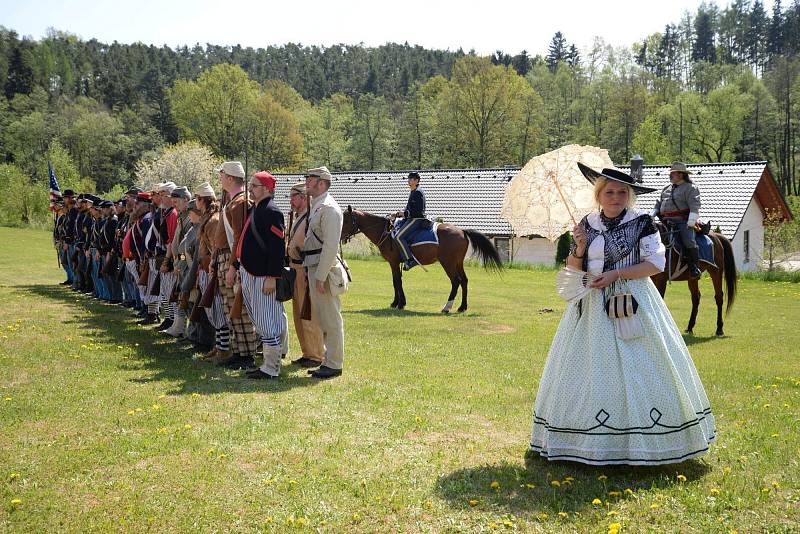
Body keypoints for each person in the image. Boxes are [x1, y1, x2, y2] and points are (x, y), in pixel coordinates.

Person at [528, 163, 715, 465]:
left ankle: (643, 442)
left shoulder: (642, 222)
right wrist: (578, 248)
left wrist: (617, 274)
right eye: (609, 192)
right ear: (599, 195)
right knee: (587, 368)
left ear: (629, 195)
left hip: (632, 300)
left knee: (640, 364)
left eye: (621, 192)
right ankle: (579, 440)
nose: (615, 197)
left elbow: (655, 263)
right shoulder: (586, 224)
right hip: (589, 306)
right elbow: (574, 268)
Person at [234, 171, 287, 380]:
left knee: (268, 322)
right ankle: (267, 363)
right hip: (250, 273)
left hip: (263, 275)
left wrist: (272, 276)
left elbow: (277, 248)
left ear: (266, 188)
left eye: (254, 186)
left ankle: (271, 367)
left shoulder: (272, 211)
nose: (250, 189)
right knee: (260, 320)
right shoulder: (255, 209)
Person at [213, 161, 260, 369]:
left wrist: (234, 265)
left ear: (230, 178)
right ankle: (239, 350)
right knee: (231, 308)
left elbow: (239, 237)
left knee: (240, 309)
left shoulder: (240, 202)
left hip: (234, 259)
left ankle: (247, 353)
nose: (220, 178)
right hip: (226, 258)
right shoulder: (232, 201)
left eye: (222, 175)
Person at [303, 166, 345, 379]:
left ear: (321, 183)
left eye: (310, 179)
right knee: (323, 318)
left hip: (324, 269)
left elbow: (330, 246)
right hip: (315, 265)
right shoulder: (318, 205)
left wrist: (320, 276)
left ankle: (335, 363)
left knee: (330, 319)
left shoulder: (328, 208)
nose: (306, 182)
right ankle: (328, 361)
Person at [286, 182, 325, 368]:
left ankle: (316, 354)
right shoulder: (297, 216)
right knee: (298, 315)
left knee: (309, 314)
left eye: (294, 196)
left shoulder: (310, 217)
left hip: (304, 269)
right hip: (294, 269)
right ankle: (307, 351)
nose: (291, 200)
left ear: (303, 197)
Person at [195, 183, 232, 361]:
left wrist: (212, 268)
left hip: (213, 269)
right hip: (206, 268)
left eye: (197, 199)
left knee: (218, 311)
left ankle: (224, 349)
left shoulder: (214, 220)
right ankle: (219, 347)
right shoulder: (208, 218)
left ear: (203, 200)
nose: (196, 202)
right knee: (213, 312)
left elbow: (215, 248)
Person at [653, 162, 702, 279]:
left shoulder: (691, 188)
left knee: (689, 240)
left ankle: (694, 267)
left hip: (682, 222)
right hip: (665, 222)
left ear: (681, 174)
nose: (670, 176)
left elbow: (695, 206)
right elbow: (658, 205)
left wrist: (691, 222)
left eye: (673, 174)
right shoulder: (666, 188)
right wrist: (651, 214)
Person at [161, 186, 192, 337]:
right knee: (181, 296)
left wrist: (180, 263)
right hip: (180, 263)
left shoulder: (189, 218)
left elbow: (187, 248)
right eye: (172, 202)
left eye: (177, 201)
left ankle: (182, 328)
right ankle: (178, 327)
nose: (174, 204)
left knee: (186, 297)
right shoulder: (181, 217)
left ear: (186, 200)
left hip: (185, 264)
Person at [393, 172, 427, 271]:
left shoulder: (418, 192)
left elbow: (418, 211)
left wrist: (404, 214)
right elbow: (409, 208)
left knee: (398, 237)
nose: (409, 180)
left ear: (416, 181)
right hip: (411, 218)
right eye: (408, 178)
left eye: (411, 179)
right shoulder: (413, 191)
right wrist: (397, 213)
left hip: (417, 219)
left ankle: (410, 260)